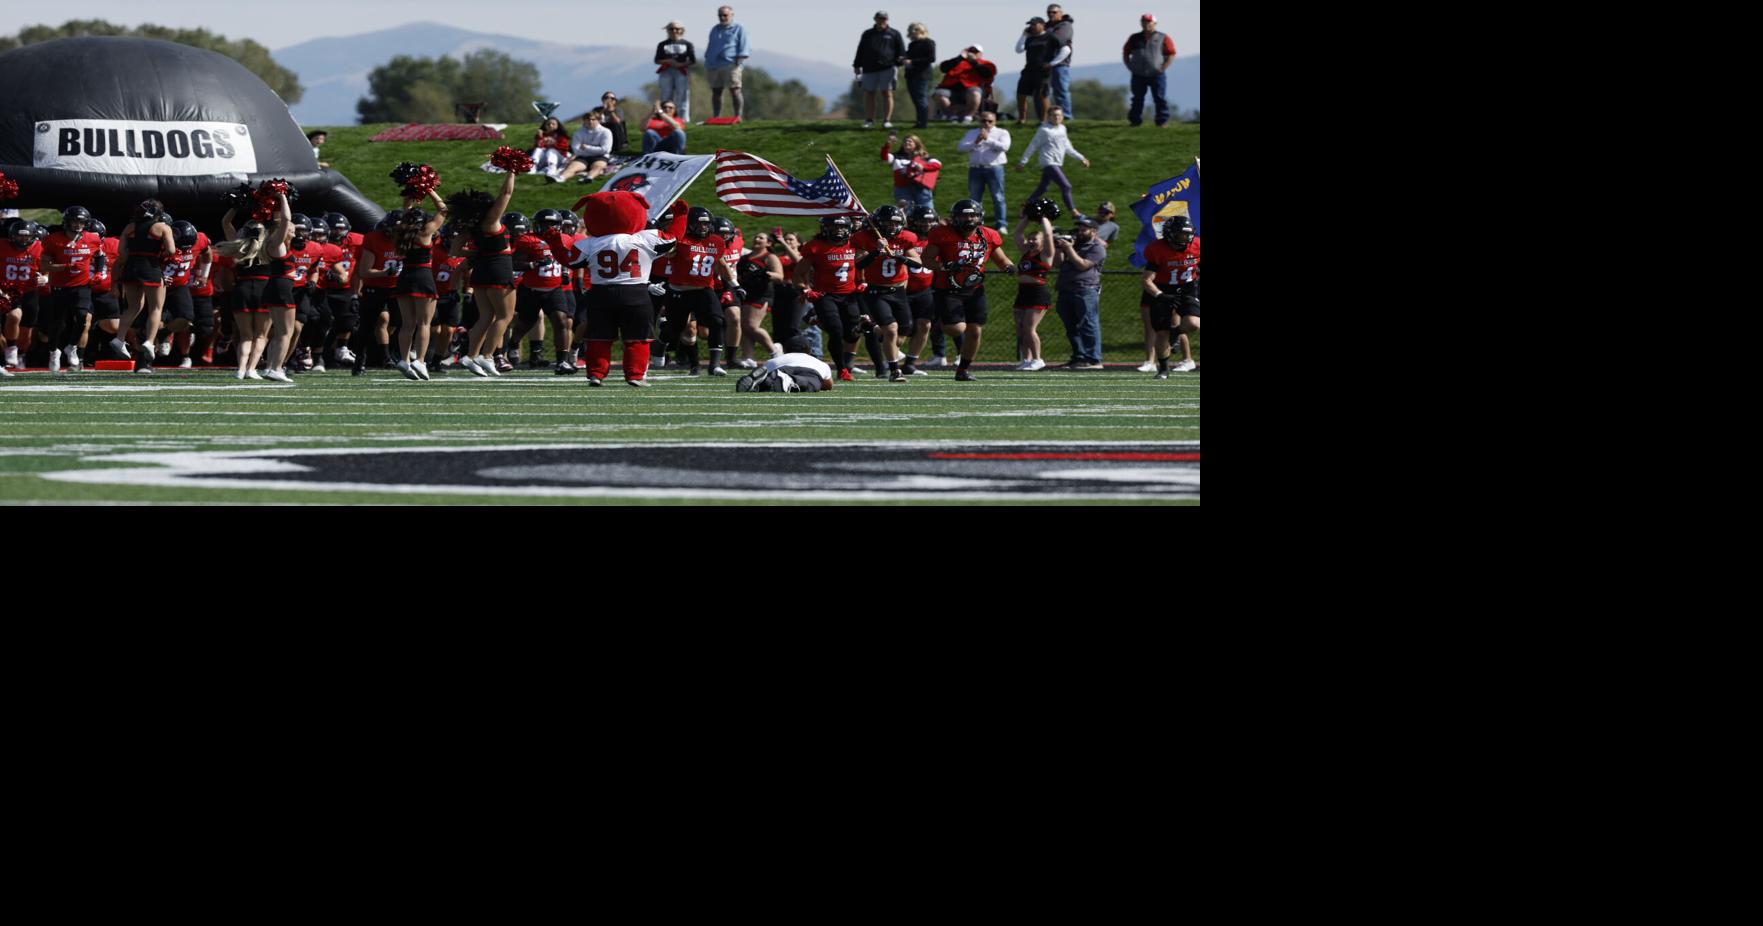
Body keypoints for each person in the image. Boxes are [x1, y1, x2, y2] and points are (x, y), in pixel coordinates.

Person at [919, 198, 1014, 382]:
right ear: (955, 218)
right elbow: (926, 259)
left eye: (972, 215)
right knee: (956, 329)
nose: (969, 219)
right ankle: (940, 321)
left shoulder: (989, 235)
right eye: (964, 215)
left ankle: (962, 369)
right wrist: (945, 266)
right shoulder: (942, 234)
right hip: (948, 288)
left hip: (974, 289)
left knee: (975, 331)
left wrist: (1009, 267)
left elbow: (1002, 260)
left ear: (980, 217)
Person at [448, 170, 518, 377]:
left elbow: (454, 251)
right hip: (499, 268)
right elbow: (506, 193)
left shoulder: (471, 226)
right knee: (505, 316)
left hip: (480, 270)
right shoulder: (491, 220)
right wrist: (511, 171)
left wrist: (478, 251)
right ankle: (487, 356)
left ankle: (470, 355)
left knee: (486, 316)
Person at [850, 204, 920, 382]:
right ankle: (895, 370)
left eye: (895, 223)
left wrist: (902, 258)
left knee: (900, 336)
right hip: (876, 290)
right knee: (891, 329)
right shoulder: (864, 238)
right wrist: (876, 251)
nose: (892, 227)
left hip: (898, 290)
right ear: (878, 223)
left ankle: (871, 328)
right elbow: (858, 263)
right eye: (888, 223)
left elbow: (918, 262)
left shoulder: (906, 238)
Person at [794, 215, 867, 382]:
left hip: (849, 295)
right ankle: (842, 369)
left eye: (842, 227)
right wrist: (805, 290)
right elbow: (798, 273)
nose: (838, 230)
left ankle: (815, 317)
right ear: (825, 229)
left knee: (852, 333)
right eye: (834, 227)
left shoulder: (855, 243)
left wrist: (863, 281)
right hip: (824, 295)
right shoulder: (815, 247)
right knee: (836, 330)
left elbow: (864, 262)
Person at [113, 199, 178, 373]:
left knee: (133, 307)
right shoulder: (163, 227)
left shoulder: (129, 228)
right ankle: (149, 342)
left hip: (131, 268)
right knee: (156, 308)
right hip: (151, 267)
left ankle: (119, 338)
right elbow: (171, 251)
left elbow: (121, 252)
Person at [389, 191, 449, 380]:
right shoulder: (425, 232)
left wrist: (411, 193)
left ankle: (405, 359)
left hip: (405, 277)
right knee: (424, 323)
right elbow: (444, 209)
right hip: (423, 277)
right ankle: (420, 360)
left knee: (407, 324)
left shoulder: (401, 232)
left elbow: (406, 209)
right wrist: (429, 190)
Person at [39, 206, 103, 373]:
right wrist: (67, 266)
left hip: (82, 285)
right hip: (60, 287)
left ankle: (72, 346)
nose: (78, 224)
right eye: (75, 221)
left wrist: (98, 272)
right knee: (57, 324)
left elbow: (100, 254)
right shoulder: (53, 240)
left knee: (83, 317)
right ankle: (54, 352)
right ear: (67, 222)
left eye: (82, 221)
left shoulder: (92, 238)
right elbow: (45, 265)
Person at [1140, 215, 1199, 378]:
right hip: (1163, 289)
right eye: (1182, 234)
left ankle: (1176, 333)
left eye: (1188, 234)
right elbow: (1146, 279)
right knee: (1161, 332)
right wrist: (1160, 295)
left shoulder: (1197, 245)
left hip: (1188, 288)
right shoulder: (1157, 249)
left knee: (1194, 324)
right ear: (1171, 234)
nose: (1186, 238)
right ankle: (1163, 369)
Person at [1050, 214, 1105, 370]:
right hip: (1066, 289)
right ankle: (1078, 357)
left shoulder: (1096, 248)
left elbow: (1082, 265)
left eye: (1084, 229)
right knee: (1071, 326)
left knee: (1088, 324)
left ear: (1093, 231)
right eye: (1079, 228)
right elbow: (1057, 264)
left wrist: (1069, 249)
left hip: (1085, 290)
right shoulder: (1075, 245)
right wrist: (1059, 248)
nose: (1080, 231)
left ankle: (1093, 359)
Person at [1016, 105, 1088, 217]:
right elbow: (1032, 146)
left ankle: (1025, 209)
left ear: (1062, 116)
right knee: (1066, 186)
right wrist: (1023, 162)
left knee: (1043, 187)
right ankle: (1074, 212)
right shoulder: (1044, 130)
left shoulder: (1062, 129)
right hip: (1048, 162)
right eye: (1054, 115)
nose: (1057, 117)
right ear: (1048, 117)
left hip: (1058, 162)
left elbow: (1068, 147)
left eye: (1059, 115)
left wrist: (1081, 158)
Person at [1013, 200, 1056, 370]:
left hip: (1038, 292)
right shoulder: (1026, 253)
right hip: (1023, 292)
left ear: (1042, 243)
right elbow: (1017, 234)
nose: (1031, 241)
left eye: (1034, 239)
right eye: (1030, 238)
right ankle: (1027, 359)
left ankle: (1038, 359)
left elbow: (1048, 236)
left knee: (1029, 327)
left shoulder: (1046, 254)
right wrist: (1027, 217)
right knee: (1020, 328)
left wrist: (1043, 217)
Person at [956, 112, 1011, 235]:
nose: (986, 123)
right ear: (979, 121)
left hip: (994, 168)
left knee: (998, 197)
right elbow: (960, 148)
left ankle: (1001, 224)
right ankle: (976, 224)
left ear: (995, 121)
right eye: (984, 121)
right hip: (975, 168)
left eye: (990, 121)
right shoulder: (972, 133)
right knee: (975, 199)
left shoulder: (1002, 132)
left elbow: (1005, 147)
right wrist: (975, 142)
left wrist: (988, 139)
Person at [1123, 13, 1177, 127]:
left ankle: (1162, 121)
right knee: (1137, 98)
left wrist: (1163, 67)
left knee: (1160, 98)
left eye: (1148, 22)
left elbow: (1171, 53)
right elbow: (1126, 52)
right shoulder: (1134, 38)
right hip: (1138, 74)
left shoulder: (1163, 37)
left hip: (1156, 74)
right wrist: (1130, 66)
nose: (1146, 24)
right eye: (1144, 22)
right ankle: (1135, 121)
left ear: (1154, 23)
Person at [854, 11, 906, 129]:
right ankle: (869, 120)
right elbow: (860, 50)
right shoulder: (867, 34)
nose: (882, 21)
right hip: (869, 68)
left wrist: (898, 62)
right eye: (879, 19)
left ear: (887, 20)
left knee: (887, 93)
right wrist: (857, 66)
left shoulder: (894, 33)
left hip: (888, 68)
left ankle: (887, 120)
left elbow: (901, 51)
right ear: (875, 19)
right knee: (869, 93)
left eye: (884, 19)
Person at [705, 5, 750, 120]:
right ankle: (716, 117)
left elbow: (744, 46)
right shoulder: (714, 29)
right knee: (716, 92)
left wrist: (739, 61)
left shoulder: (739, 28)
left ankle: (738, 116)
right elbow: (710, 45)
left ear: (731, 15)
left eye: (725, 15)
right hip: (714, 64)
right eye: (720, 15)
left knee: (735, 90)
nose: (722, 18)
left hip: (731, 64)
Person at [931, 45, 995, 123]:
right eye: (969, 51)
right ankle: (952, 116)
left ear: (980, 54)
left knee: (975, 94)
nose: (971, 53)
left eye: (975, 52)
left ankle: (968, 116)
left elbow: (987, 73)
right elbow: (943, 68)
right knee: (939, 94)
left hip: (971, 88)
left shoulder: (986, 63)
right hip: (951, 89)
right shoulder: (958, 62)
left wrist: (973, 62)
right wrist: (959, 58)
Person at [882, 134, 940, 212]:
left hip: (921, 188)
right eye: (905, 141)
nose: (907, 142)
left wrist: (923, 167)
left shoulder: (925, 157)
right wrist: (888, 144)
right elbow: (884, 156)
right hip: (902, 188)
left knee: (927, 211)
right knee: (907, 212)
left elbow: (937, 165)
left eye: (910, 141)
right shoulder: (896, 156)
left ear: (916, 144)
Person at [556, 110, 615, 183]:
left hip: (600, 156)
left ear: (598, 120)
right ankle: (560, 178)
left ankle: (589, 178)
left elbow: (606, 150)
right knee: (572, 167)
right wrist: (595, 150)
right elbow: (576, 149)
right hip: (583, 157)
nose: (590, 122)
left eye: (593, 119)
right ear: (584, 121)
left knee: (598, 167)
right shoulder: (578, 132)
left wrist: (586, 147)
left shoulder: (606, 132)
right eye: (588, 119)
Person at [1014, 17, 1054, 124]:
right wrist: (1024, 35)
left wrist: (1052, 63)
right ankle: (1022, 118)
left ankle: (1044, 120)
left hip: (1042, 71)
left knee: (1042, 95)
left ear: (1042, 25)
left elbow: (1065, 48)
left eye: (1034, 24)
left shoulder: (1049, 37)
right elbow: (1018, 49)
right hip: (1028, 70)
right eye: (1030, 25)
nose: (1031, 27)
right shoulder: (1030, 38)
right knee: (1020, 95)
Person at [655, 21, 696, 122]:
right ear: (667, 31)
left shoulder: (687, 44)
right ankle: (664, 118)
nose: (674, 31)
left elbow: (692, 60)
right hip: (666, 71)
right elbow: (657, 60)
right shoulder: (662, 44)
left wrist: (681, 64)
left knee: (683, 96)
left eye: (677, 29)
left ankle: (683, 119)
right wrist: (668, 61)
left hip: (681, 72)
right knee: (666, 95)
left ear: (682, 30)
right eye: (671, 29)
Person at [903, 23, 936, 129]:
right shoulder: (912, 44)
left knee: (921, 99)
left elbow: (931, 58)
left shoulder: (928, 42)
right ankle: (919, 121)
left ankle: (923, 123)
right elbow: (908, 55)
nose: (911, 34)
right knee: (916, 99)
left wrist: (912, 61)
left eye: (914, 31)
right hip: (911, 74)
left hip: (922, 75)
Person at [1044, 4, 1075, 118]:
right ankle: (1047, 117)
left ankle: (1066, 116)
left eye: (1054, 12)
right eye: (1049, 12)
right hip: (1045, 63)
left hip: (1060, 63)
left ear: (1061, 13)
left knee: (1061, 90)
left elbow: (1060, 40)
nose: (1051, 14)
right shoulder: (1046, 26)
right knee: (1044, 92)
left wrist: (1046, 33)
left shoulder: (1065, 25)